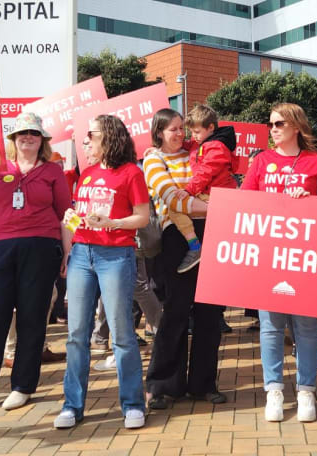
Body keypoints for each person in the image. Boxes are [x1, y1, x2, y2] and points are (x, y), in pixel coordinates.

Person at [0, 112, 71, 416]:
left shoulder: (53, 171)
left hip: (42, 247)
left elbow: (64, 214)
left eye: (33, 133)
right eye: (22, 133)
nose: (27, 137)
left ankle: (22, 386)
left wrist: (67, 253)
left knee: (32, 319)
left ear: (41, 139)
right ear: (13, 139)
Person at [241, 102, 317, 423]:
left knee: (306, 326)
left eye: (279, 123)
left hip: (305, 256)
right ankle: (274, 390)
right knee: (270, 327)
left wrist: (309, 203)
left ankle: (306, 390)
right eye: (271, 124)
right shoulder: (261, 162)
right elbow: (245, 205)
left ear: (296, 126)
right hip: (269, 256)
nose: (273, 129)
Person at [54, 114, 151, 430]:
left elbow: (142, 218)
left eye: (90, 135)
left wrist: (113, 224)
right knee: (76, 334)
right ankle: (72, 405)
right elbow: (80, 218)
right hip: (82, 253)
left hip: (115, 255)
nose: (85, 142)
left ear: (109, 137)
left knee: (122, 334)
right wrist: (72, 219)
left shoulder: (131, 173)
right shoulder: (87, 174)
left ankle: (133, 404)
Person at [142, 108, 224, 410]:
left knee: (210, 312)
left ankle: (203, 384)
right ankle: (163, 384)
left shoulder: (197, 150)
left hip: (211, 230)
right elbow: (169, 196)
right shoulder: (153, 158)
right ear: (159, 132)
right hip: (176, 236)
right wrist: (218, 206)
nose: (180, 134)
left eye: (182, 129)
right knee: (175, 312)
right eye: (172, 129)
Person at [167, 104, 237, 273]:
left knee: (176, 206)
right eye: (192, 132)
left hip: (216, 196)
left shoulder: (217, 147)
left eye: (197, 132)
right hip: (206, 193)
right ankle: (195, 246)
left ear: (211, 127)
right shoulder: (202, 143)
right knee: (174, 207)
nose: (194, 136)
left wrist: (188, 190)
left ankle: (195, 248)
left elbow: (206, 172)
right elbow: (190, 145)